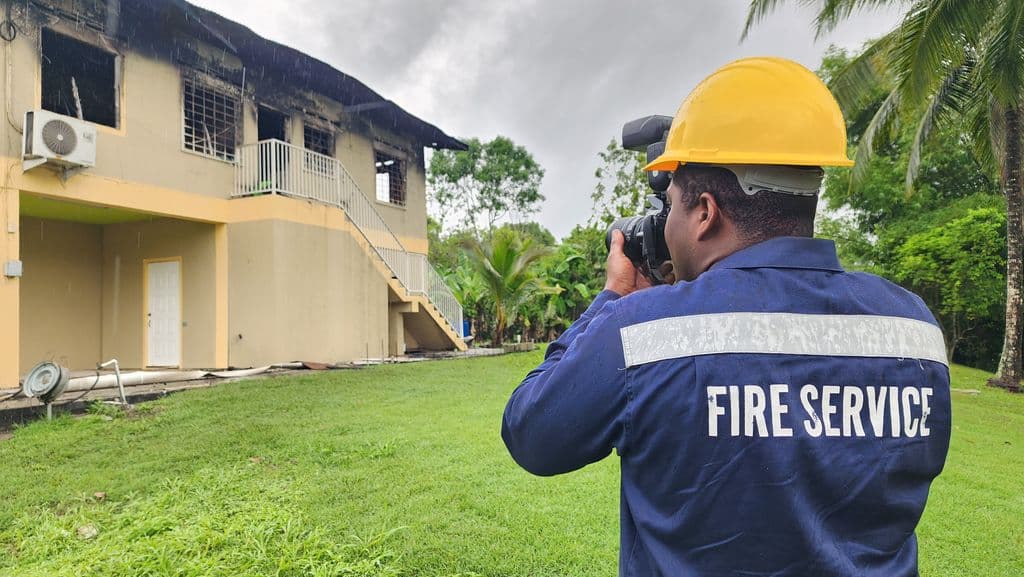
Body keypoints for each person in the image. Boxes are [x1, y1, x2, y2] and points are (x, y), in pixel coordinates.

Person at [501, 57, 951, 577]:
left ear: (706, 212)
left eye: (669, 204)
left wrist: (612, 299)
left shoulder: (641, 332)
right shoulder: (914, 329)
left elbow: (532, 432)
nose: (663, 222)